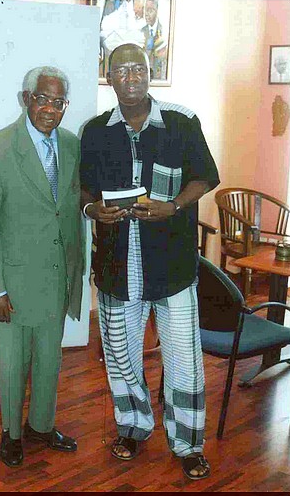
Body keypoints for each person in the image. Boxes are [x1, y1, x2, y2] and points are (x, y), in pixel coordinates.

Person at [80, 43, 219, 480]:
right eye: (121, 70)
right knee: (121, 357)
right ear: (109, 78)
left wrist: (173, 206)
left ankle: (188, 443)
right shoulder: (95, 131)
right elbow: (84, 188)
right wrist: (92, 210)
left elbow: (205, 176)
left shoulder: (181, 121)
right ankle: (133, 428)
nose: (131, 77)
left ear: (150, 72)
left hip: (173, 267)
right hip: (117, 268)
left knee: (184, 360)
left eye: (138, 68)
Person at [0, 66, 84, 467]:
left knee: (50, 360)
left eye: (59, 101)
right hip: (11, 285)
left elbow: (67, 208)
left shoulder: (71, 146)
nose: (50, 109)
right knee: (13, 364)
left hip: (56, 276)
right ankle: (11, 434)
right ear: (26, 99)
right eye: (42, 99)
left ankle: (41, 427)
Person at [141, 0, 166, 79]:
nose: (146, 14)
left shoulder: (165, 32)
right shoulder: (141, 32)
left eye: (150, 10)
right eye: (145, 10)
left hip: (160, 77)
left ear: (156, 11)